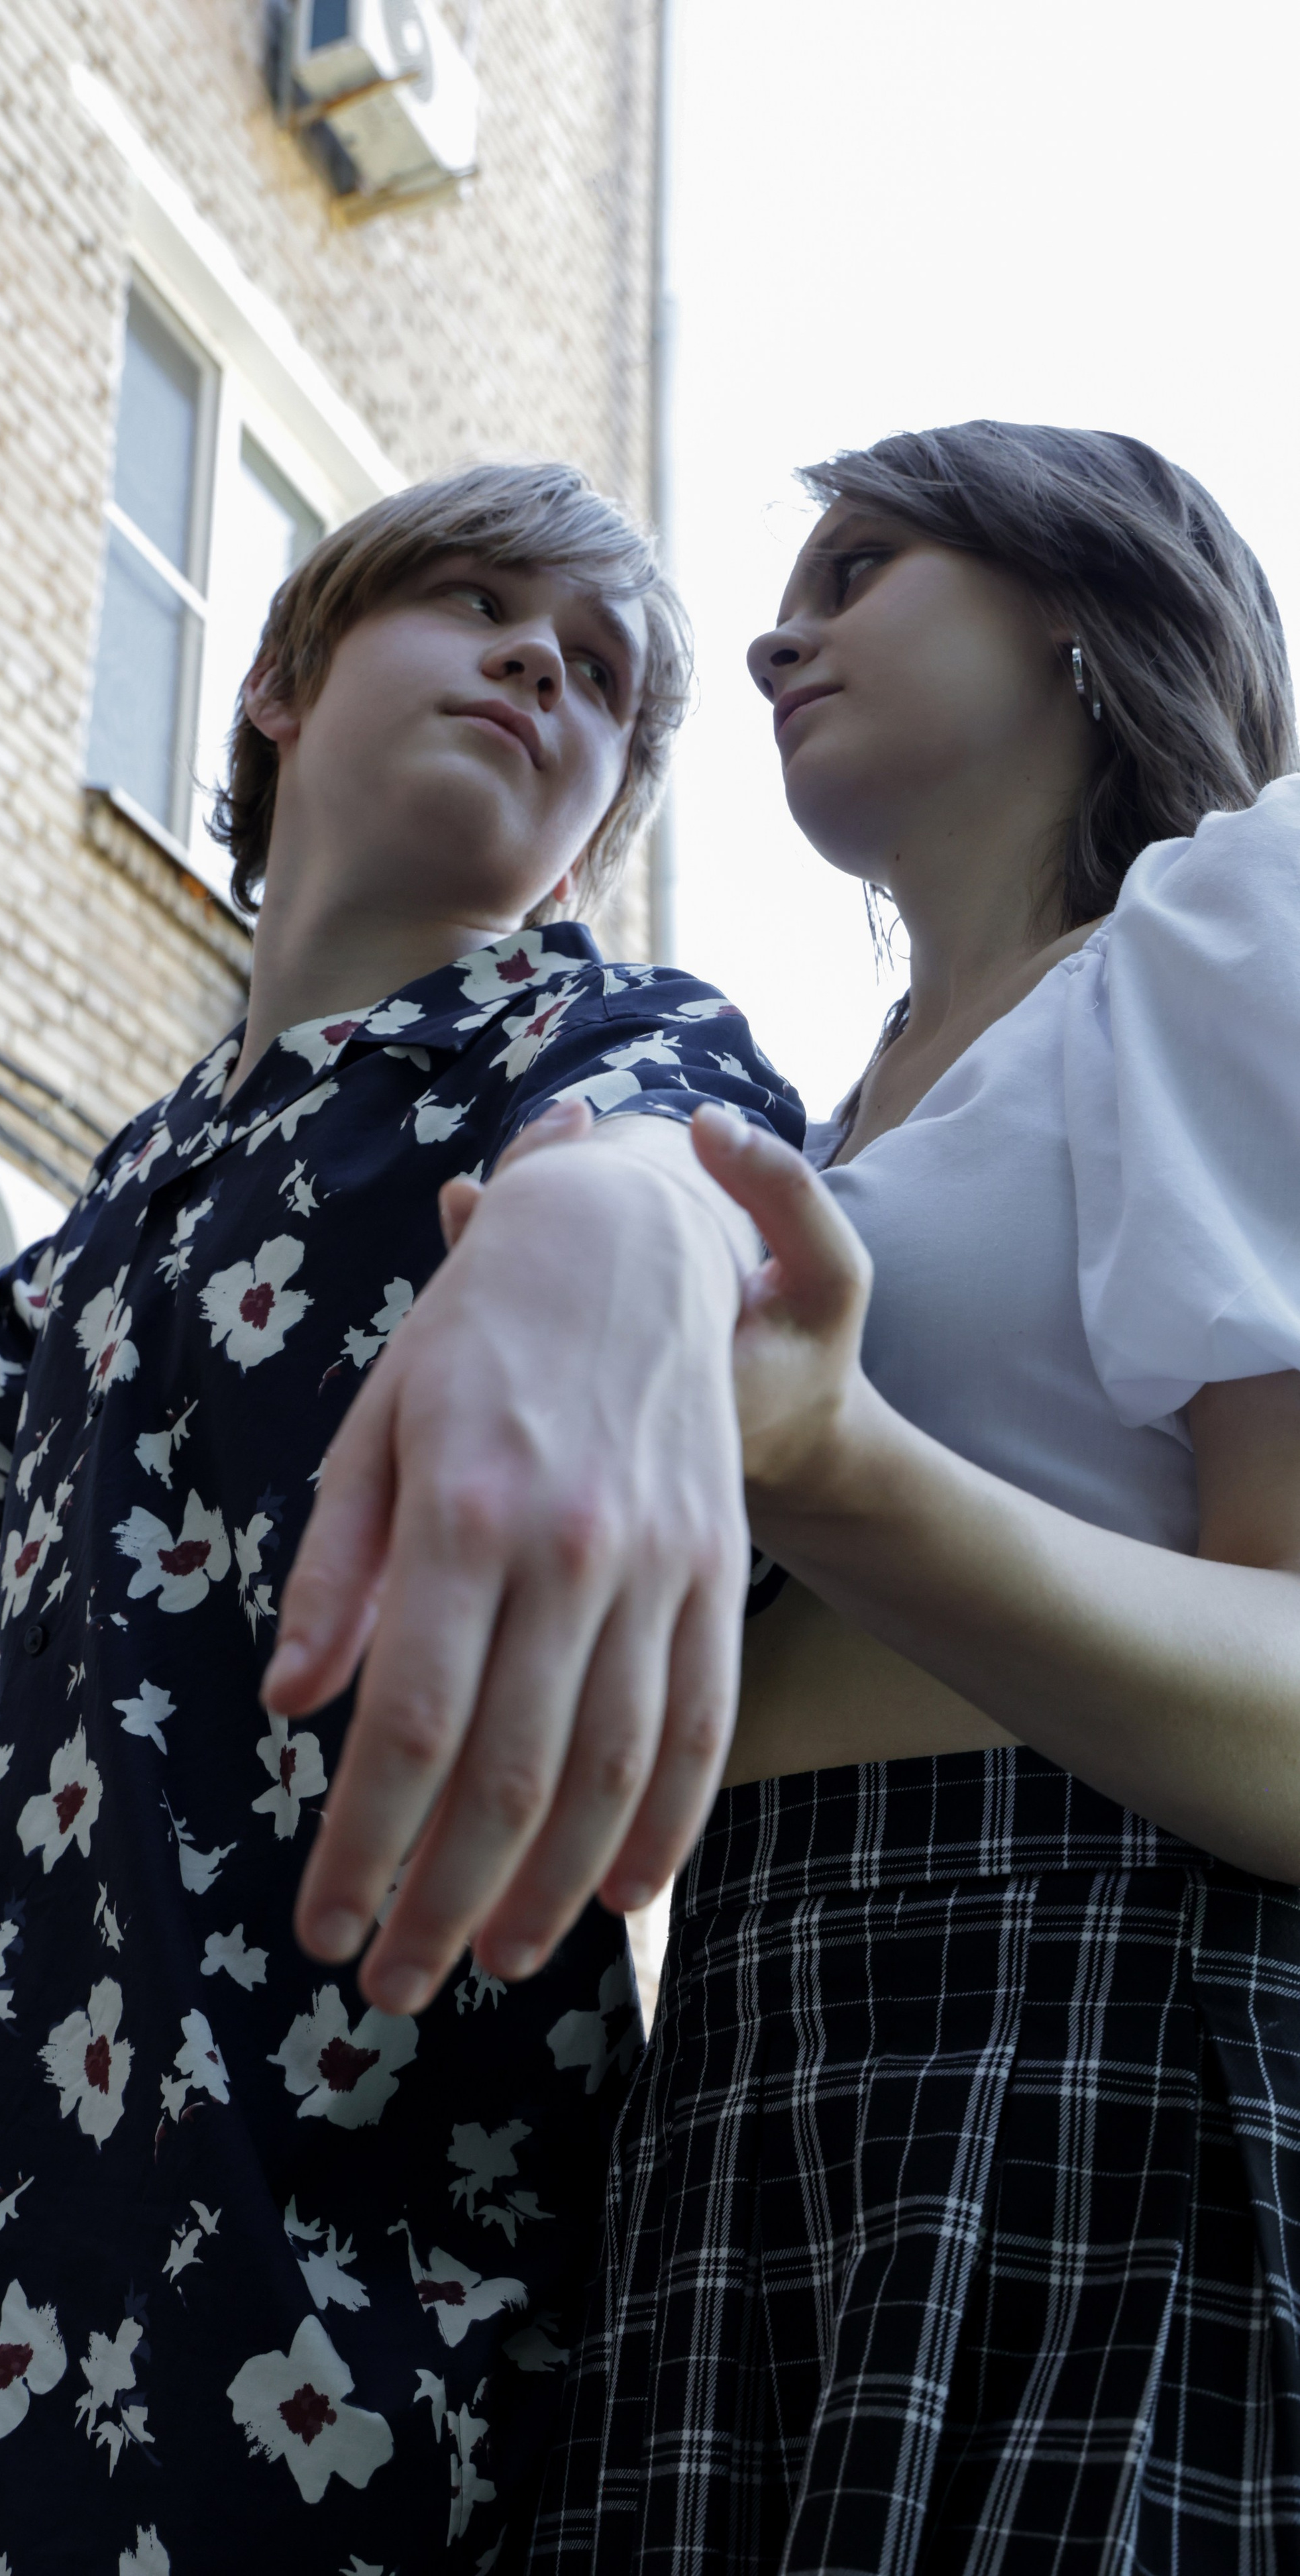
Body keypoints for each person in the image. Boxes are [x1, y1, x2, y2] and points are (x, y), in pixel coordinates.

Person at [0, 460, 804, 2572]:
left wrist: (624, 1228)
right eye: (478, 601)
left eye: (598, 670)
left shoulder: (590, 1042)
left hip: (370, 2341)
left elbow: (668, 1168)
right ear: (277, 686)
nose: (542, 658)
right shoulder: (140, 1190)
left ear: (596, 833)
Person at [272, 421, 1300, 2569]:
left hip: (1090, 2009)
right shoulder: (826, 1118)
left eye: (861, 565)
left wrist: (834, 1466)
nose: (766, 638)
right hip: (744, 2033)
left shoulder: (1226, 922)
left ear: (1076, 600)